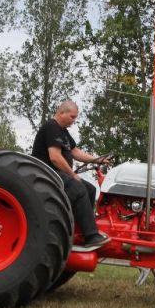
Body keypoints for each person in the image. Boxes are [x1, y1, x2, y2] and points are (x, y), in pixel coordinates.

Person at [32, 100, 111, 249]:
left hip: (58, 174)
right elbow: (55, 157)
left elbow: (76, 152)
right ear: (61, 113)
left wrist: (97, 160)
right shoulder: (51, 127)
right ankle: (91, 236)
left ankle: (79, 232)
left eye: (75, 118)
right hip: (47, 174)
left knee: (90, 189)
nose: (74, 121)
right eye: (72, 117)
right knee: (78, 188)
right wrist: (72, 175)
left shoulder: (63, 132)